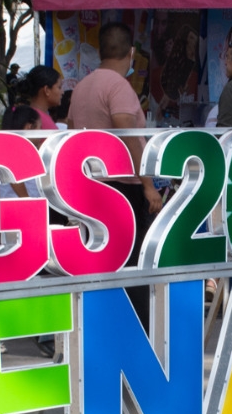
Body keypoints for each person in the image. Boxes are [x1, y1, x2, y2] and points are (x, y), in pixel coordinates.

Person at [69, 21, 164, 264]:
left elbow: (70, 133)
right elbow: (127, 133)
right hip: (123, 187)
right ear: (131, 53)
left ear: (100, 52)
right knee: (131, 258)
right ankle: (133, 302)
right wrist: (148, 185)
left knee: (98, 254)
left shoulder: (81, 87)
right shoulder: (119, 87)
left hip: (90, 182)